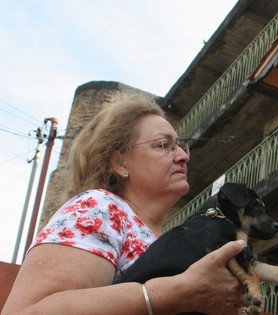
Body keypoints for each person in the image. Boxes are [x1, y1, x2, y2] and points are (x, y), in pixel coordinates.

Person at [3, 96, 246, 315]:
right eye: (163, 145)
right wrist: (173, 292)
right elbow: (26, 312)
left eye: (181, 145)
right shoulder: (99, 208)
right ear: (119, 161)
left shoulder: (161, 236)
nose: (184, 156)